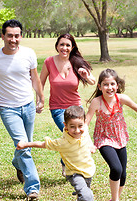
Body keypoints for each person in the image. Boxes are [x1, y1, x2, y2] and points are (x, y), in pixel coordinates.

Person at [0, 19, 44, 201]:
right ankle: (32, 188)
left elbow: (34, 77)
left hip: (28, 105)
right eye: (9, 35)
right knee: (24, 146)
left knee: (26, 143)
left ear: (21, 36)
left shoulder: (29, 54)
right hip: (8, 108)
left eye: (17, 36)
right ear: (2, 36)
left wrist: (40, 97)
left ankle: (17, 163)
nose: (13, 39)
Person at [17, 106, 96, 201]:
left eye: (80, 126)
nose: (77, 130)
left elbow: (86, 137)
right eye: (72, 127)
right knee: (86, 195)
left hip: (88, 170)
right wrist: (26, 144)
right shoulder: (62, 142)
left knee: (82, 196)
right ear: (65, 126)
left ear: (84, 122)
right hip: (74, 173)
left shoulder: (84, 130)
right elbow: (43, 144)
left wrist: (91, 145)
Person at [86, 68, 137, 201]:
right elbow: (86, 123)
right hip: (104, 139)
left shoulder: (121, 98)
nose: (109, 87)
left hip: (120, 137)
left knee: (123, 173)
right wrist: (89, 143)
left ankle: (115, 200)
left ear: (117, 85)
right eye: (105, 84)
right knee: (116, 168)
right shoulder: (96, 102)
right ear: (99, 86)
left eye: (112, 84)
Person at [39, 33, 95, 176]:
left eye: (68, 45)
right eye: (61, 44)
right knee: (71, 135)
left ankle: (71, 166)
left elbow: (93, 81)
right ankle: (71, 167)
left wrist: (85, 75)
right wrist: (40, 100)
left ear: (72, 47)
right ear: (57, 46)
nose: (64, 48)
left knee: (75, 136)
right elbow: (40, 83)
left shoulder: (76, 62)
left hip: (76, 107)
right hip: (57, 108)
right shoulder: (49, 62)